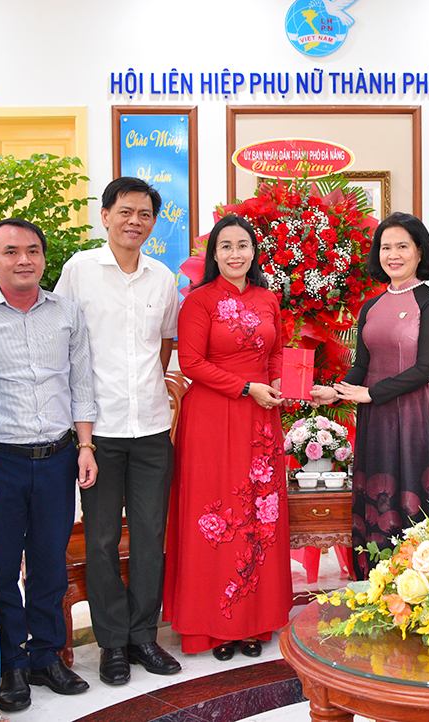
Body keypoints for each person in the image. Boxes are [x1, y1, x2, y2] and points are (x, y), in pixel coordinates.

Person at [0, 218, 97, 711]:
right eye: (11, 251)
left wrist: (85, 447)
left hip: (58, 457)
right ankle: (9, 663)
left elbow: (82, 383)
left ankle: (45, 655)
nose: (24, 260)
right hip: (0, 461)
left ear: (43, 258)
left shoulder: (65, 312)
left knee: (48, 561)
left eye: (32, 251)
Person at [54, 177, 181, 685]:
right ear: (105, 215)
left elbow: (164, 348)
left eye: (145, 214)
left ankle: (143, 636)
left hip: (151, 428)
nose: (135, 221)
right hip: (98, 430)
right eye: (125, 211)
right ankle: (110, 642)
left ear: (154, 221)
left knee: (151, 535)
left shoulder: (162, 277)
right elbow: (62, 341)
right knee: (103, 538)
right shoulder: (79, 271)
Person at [162, 215, 292, 662]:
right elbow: (192, 363)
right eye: (225, 247)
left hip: (261, 420)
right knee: (215, 514)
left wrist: (278, 386)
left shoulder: (268, 298)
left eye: (243, 245)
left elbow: (276, 353)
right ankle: (212, 627)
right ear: (213, 255)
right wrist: (244, 388)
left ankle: (254, 621)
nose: (235, 253)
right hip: (213, 418)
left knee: (259, 514)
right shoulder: (199, 302)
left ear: (254, 251)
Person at [310, 213, 429, 577]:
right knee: (378, 496)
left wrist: (372, 394)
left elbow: (427, 369)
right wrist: (335, 392)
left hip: (419, 415)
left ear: (420, 252)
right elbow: (362, 365)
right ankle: (375, 583)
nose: (393, 255)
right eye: (386, 247)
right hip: (376, 417)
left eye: (402, 246)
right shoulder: (370, 306)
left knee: (415, 502)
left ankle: (424, 586)